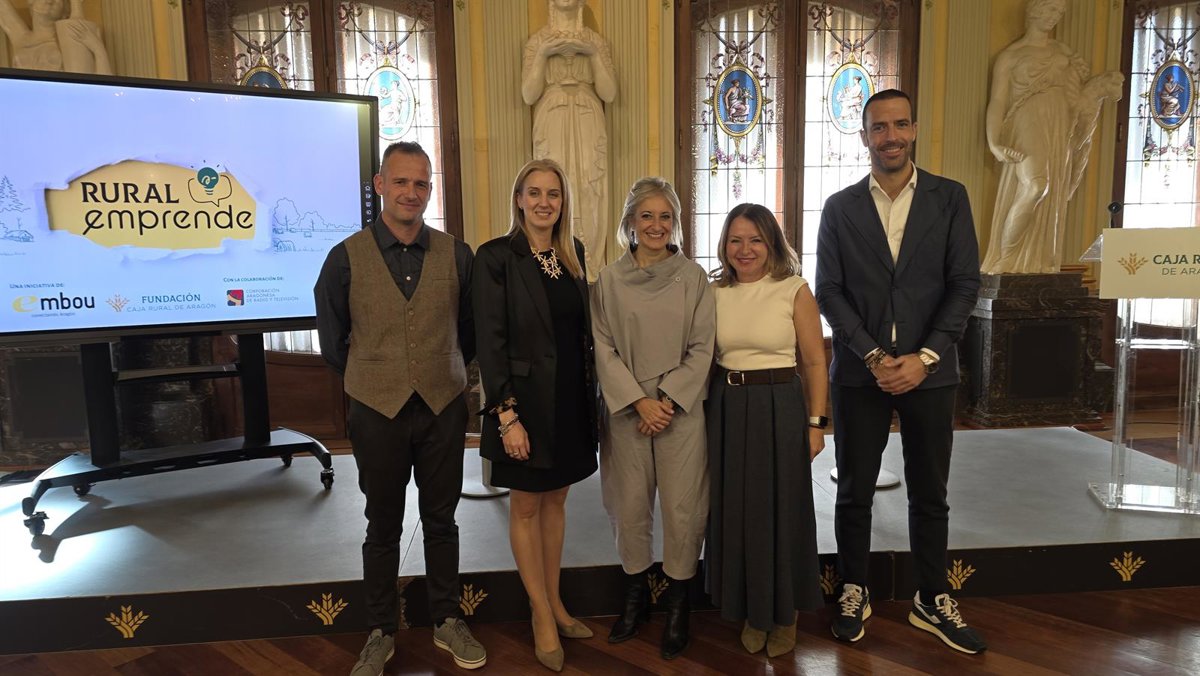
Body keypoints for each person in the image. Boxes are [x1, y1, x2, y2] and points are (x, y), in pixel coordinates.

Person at [815, 89, 985, 654]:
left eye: (900, 124)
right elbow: (829, 291)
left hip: (930, 373)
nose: (890, 136)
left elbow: (964, 284)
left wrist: (925, 357)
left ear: (913, 130)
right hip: (859, 373)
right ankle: (854, 587)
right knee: (853, 491)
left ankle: (931, 597)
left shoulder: (950, 197)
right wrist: (872, 356)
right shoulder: (839, 208)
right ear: (864, 136)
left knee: (930, 492)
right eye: (879, 127)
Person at [314, 141, 486, 676]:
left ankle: (447, 619)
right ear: (380, 185)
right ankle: (380, 631)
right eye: (402, 181)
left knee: (442, 520)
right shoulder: (344, 258)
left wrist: (438, 368)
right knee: (382, 524)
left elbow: (470, 332)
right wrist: (376, 375)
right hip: (376, 410)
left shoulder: (458, 255)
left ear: (430, 190)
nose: (412, 192)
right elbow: (333, 341)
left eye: (421, 183)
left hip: (442, 406)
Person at [473, 158, 598, 673]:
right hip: (522, 404)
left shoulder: (573, 253)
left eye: (554, 193)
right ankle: (540, 612)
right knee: (526, 505)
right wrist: (507, 416)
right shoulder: (496, 257)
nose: (545, 202)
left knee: (557, 501)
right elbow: (490, 342)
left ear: (563, 202)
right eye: (535, 192)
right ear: (519, 199)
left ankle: (556, 600)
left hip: (568, 399)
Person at [590, 177, 714, 660]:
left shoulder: (694, 279)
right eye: (647, 216)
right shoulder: (608, 281)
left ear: (675, 223)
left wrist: (665, 400)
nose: (656, 225)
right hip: (627, 413)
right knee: (629, 507)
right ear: (630, 222)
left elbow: (703, 347)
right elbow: (602, 348)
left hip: (679, 412)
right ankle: (635, 598)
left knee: (683, 509)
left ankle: (679, 605)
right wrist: (638, 402)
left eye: (665, 217)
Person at [705, 203, 828, 658]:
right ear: (724, 245)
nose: (745, 249)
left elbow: (814, 362)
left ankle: (785, 613)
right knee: (737, 509)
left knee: (782, 509)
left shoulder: (793, 290)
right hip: (728, 405)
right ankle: (751, 610)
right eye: (736, 240)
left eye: (755, 239)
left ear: (771, 243)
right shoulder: (714, 293)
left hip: (780, 406)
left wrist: (816, 424)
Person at [982, 0, 1123, 274]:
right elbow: (997, 102)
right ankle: (1005, 258)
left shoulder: (1064, 52)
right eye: (1049, 10)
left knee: (1053, 195)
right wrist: (994, 142)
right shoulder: (1011, 56)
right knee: (1036, 186)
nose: (1054, 17)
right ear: (1034, 10)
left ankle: (1041, 260)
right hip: (1027, 119)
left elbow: (1076, 95)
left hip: (1059, 123)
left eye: (1059, 12)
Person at [522, 0, 617, 279]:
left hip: (587, 119)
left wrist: (592, 54)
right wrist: (543, 54)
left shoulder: (595, 41)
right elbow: (528, 94)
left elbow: (609, 93)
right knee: (553, 184)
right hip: (552, 119)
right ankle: (554, 257)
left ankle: (589, 263)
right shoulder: (537, 42)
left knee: (589, 186)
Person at [0, 0, 112, 74]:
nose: (49, 1)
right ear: (31, 2)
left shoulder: (72, 38)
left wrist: (98, 48)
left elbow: (97, 85)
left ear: (65, 11)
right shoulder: (22, 39)